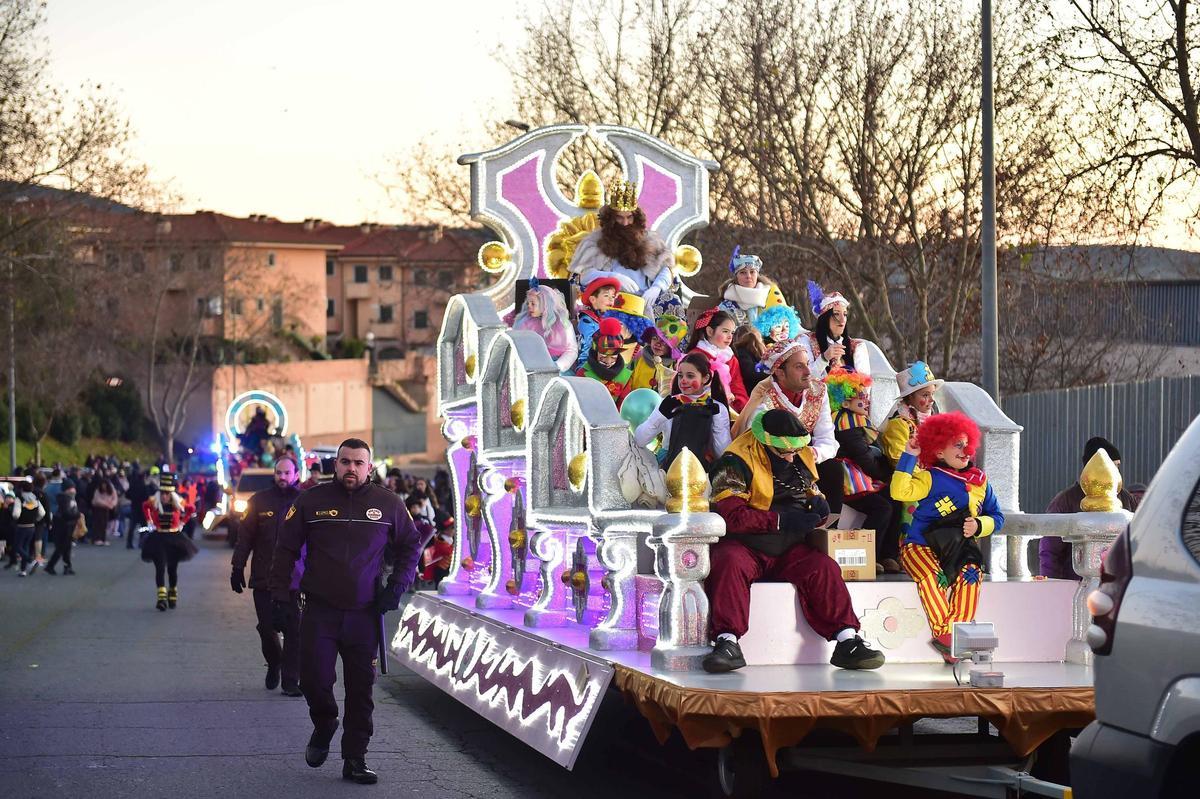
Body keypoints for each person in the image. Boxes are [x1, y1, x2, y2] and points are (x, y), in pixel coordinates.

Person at [269, 438, 426, 785]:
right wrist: (280, 597)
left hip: (364, 615)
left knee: (361, 690)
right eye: (345, 462)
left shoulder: (389, 504)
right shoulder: (311, 501)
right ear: (335, 465)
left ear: (369, 468)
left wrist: (395, 588)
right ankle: (324, 723)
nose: (351, 468)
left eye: (358, 463)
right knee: (313, 680)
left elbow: (411, 546)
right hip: (319, 612)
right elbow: (285, 549)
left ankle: (355, 758)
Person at [703, 409, 886, 673]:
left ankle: (848, 641)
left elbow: (810, 490)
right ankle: (726, 642)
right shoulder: (733, 462)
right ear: (766, 443)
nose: (791, 457)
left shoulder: (798, 455)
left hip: (789, 547)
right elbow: (732, 516)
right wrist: (781, 520)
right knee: (727, 561)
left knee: (824, 567)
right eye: (784, 453)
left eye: (794, 451)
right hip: (746, 544)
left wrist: (819, 508)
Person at [890, 412, 1004, 664]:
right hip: (920, 547)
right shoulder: (930, 476)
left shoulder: (981, 481)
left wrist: (979, 525)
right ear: (939, 452)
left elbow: (997, 516)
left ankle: (952, 640)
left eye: (967, 445)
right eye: (958, 445)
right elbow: (899, 491)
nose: (965, 451)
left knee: (972, 575)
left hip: (960, 550)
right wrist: (910, 456)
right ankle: (949, 638)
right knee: (931, 577)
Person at [231, 456, 304, 696]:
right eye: (279, 473)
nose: (282, 477)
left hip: (295, 580)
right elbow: (244, 539)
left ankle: (291, 681)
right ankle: (274, 662)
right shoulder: (258, 502)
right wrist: (237, 567)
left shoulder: (305, 502)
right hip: (264, 578)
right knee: (266, 627)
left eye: (287, 473)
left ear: (296, 474)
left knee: (294, 631)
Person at [820, 368, 897, 572]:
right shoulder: (848, 426)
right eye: (861, 397)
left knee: (890, 502)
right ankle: (868, 553)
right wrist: (888, 475)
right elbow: (865, 460)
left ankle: (886, 555)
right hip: (849, 481)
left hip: (856, 475)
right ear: (845, 402)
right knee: (883, 507)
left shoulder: (848, 421)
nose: (867, 400)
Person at [570, 179, 679, 316]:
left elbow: (666, 270)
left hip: (646, 298)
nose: (625, 223)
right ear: (611, 218)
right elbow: (584, 276)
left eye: (629, 217)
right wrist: (613, 277)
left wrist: (656, 288)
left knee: (673, 303)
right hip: (612, 299)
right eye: (619, 218)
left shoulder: (651, 240)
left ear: (636, 217)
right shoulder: (595, 242)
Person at [1039, 437, 1136, 580]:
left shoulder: (1126, 499)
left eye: (1118, 466)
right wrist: (1053, 585)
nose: (1116, 472)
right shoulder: (1066, 500)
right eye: (1112, 466)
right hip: (1074, 585)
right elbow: (1050, 550)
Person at [733, 337, 838, 464]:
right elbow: (760, 449)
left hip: (810, 460)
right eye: (799, 367)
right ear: (780, 373)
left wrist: (814, 454)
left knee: (834, 469)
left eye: (808, 363)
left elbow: (827, 439)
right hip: (776, 465)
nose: (808, 371)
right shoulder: (764, 399)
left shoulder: (818, 390)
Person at [634, 352, 733, 470]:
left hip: (700, 468)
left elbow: (723, 454)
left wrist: (717, 422)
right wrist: (659, 416)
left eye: (690, 376)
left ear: (705, 378)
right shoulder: (669, 403)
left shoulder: (717, 408)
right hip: (667, 465)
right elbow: (639, 441)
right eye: (681, 375)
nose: (683, 381)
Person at [140, 473, 198, 610]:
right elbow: (144, 506)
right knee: (160, 568)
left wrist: (183, 522)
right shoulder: (154, 502)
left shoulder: (179, 503)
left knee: (172, 569)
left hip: (174, 539)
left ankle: (172, 592)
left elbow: (191, 509)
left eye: (167, 494)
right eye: (163, 493)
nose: (165, 496)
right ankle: (161, 599)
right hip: (158, 539)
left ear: (171, 494)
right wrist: (149, 521)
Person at [802, 281, 870, 378]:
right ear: (825, 318)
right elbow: (804, 378)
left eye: (845, 314)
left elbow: (865, 385)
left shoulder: (857, 347)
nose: (842, 320)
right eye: (836, 314)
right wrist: (824, 358)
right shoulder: (806, 341)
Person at [687, 308, 749, 412]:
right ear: (710, 331)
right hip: (699, 409)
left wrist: (740, 406)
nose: (730, 337)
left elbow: (737, 386)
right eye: (725, 331)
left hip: (730, 409)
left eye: (732, 333)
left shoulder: (731, 358)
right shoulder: (694, 356)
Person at [512, 278, 578, 373]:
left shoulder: (563, 324)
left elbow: (571, 350)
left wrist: (558, 366)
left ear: (545, 304)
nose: (529, 306)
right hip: (531, 368)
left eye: (533, 303)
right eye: (528, 303)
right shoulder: (524, 323)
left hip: (557, 368)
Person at [717, 247, 786, 327]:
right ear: (736, 277)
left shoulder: (770, 294)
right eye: (743, 272)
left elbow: (787, 319)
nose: (748, 276)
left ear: (757, 274)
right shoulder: (727, 305)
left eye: (752, 272)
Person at [576, 317, 633, 406]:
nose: (608, 361)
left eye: (613, 357)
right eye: (603, 357)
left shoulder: (626, 376)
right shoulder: (582, 374)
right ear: (596, 352)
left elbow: (623, 406)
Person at [627, 314, 687, 394]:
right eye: (655, 339)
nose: (658, 344)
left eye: (665, 342)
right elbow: (627, 378)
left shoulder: (675, 364)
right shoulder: (640, 355)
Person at [574, 275, 622, 372]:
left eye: (613, 296)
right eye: (606, 295)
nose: (611, 299)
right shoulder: (587, 321)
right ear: (593, 300)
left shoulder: (610, 320)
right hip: (590, 366)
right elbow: (589, 346)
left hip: (608, 364)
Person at [10, 480, 46, 576]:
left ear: (21, 489)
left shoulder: (19, 499)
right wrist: (35, 519)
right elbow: (42, 513)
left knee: (17, 547)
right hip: (32, 527)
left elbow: (16, 514)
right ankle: (23, 570)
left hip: (21, 526)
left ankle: (31, 561)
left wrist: (15, 519)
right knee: (25, 547)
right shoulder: (35, 499)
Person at [45, 484, 81, 575]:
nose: (74, 490)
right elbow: (66, 513)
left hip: (65, 525)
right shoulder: (65, 499)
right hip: (64, 526)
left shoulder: (67, 498)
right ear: (67, 490)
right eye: (71, 488)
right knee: (62, 547)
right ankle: (51, 566)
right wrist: (77, 515)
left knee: (66, 547)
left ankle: (67, 566)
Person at [91, 478, 119, 546]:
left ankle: (103, 539)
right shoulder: (98, 490)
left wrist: (112, 504)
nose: (104, 487)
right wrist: (107, 504)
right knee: (98, 524)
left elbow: (115, 498)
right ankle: (97, 539)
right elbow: (97, 500)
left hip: (107, 508)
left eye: (105, 485)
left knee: (105, 524)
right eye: (103, 485)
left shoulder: (112, 489)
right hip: (98, 508)